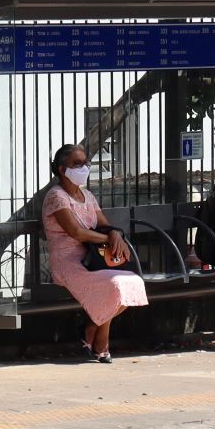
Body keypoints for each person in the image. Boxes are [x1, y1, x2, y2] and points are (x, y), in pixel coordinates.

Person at [42, 144, 148, 363]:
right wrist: (110, 238)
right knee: (115, 285)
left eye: (85, 163)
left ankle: (92, 328)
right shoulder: (56, 196)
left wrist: (115, 235)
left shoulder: (88, 196)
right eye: (76, 164)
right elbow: (76, 232)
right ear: (62, 170)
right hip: (69, 261)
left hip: (94, 260)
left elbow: (104, 225)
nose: (83, 168)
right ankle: (102, 339)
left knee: (133, 282)